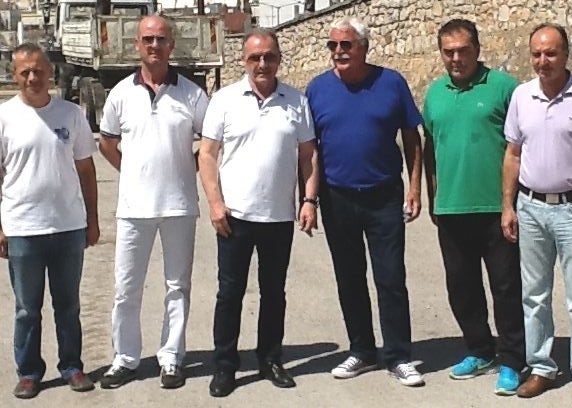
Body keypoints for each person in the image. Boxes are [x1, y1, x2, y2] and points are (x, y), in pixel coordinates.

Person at [502, 23, 572, 408]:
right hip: (531, 207)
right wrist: (508, 205)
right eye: (536, 53)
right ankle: (541, 367)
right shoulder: (522, 96)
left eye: (550, 53)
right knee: (534, 295)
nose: (543, 61)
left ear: (566, 54)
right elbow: (513, 154)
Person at [199, 28, 318, 398]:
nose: (262, 64)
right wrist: (215, 204)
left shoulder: (296, 101)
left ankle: (270, 359)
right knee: (229, 294)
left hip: (278, 216)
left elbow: (309, 155)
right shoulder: (224, 100)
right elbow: (207, 154)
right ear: (244, 60)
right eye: (255, 57)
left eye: (269, 56)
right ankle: (225, 366)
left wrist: (309, 200)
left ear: (279, 59)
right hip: (234, 216)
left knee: (274, 293)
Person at [305, 17, 424, 386]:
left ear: (364, 47)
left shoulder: (391, 82)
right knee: (349, 277)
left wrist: (414, 187)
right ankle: (362, 350)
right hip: (337, 197)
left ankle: (399, 356)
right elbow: (310, 150)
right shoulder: (317, 89)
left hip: (383, 195)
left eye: (346, 45)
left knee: (390, 278)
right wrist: (309, 199)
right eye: (333, 45)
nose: (338, 52)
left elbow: (412, 137)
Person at [98, 15, 209, 389]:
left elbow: (211, 143)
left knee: (177, 287)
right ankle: (125, 359)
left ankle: (172, 358)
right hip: (133, 209)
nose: (154, 45)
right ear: (137, 45)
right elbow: (107, 142)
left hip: (179, 206)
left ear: (171, 45)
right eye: (147, 39)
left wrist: (188, 167)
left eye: (161, 39)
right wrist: (131, 170)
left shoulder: (192, 95)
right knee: (126, 288)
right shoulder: (120, 94)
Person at [422, 19, 525, 395]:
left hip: (498, 208)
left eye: (463, 50)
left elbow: (522, 146)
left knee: (506, 287)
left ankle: (513, 359)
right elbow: (430, 148)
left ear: (477, 50)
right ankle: (480, 350)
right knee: (461, 287)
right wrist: (433, 197)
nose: (455, 58)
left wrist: (513, 202)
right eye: (448, 52)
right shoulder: (435, 93)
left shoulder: (505, 88)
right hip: (451, 209)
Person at [0, 42, 99, 399]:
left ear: (50, 73)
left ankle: (72, 367)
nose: (32, 77)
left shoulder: (70, 114)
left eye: (38, 70)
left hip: (68, 227)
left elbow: (86, 169)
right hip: (23, 228)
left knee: (68, 306)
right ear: (14, 75)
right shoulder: (4, 117)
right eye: (25, 72)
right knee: (27, 310)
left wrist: (92, 220)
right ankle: (29, 372)